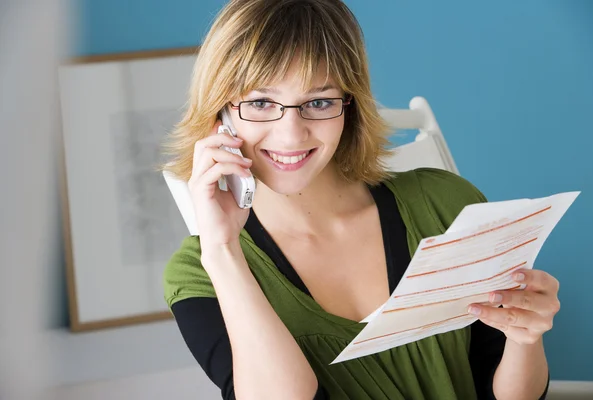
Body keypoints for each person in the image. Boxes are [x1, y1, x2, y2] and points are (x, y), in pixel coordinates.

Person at [161, 1, 557, 398]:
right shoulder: (199, 273)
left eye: (318, 102)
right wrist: (221, 250)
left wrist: (526, 337)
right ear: (221, 112)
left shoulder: (447, 204)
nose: (291, 135)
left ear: (349, 107)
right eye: (261, 102)